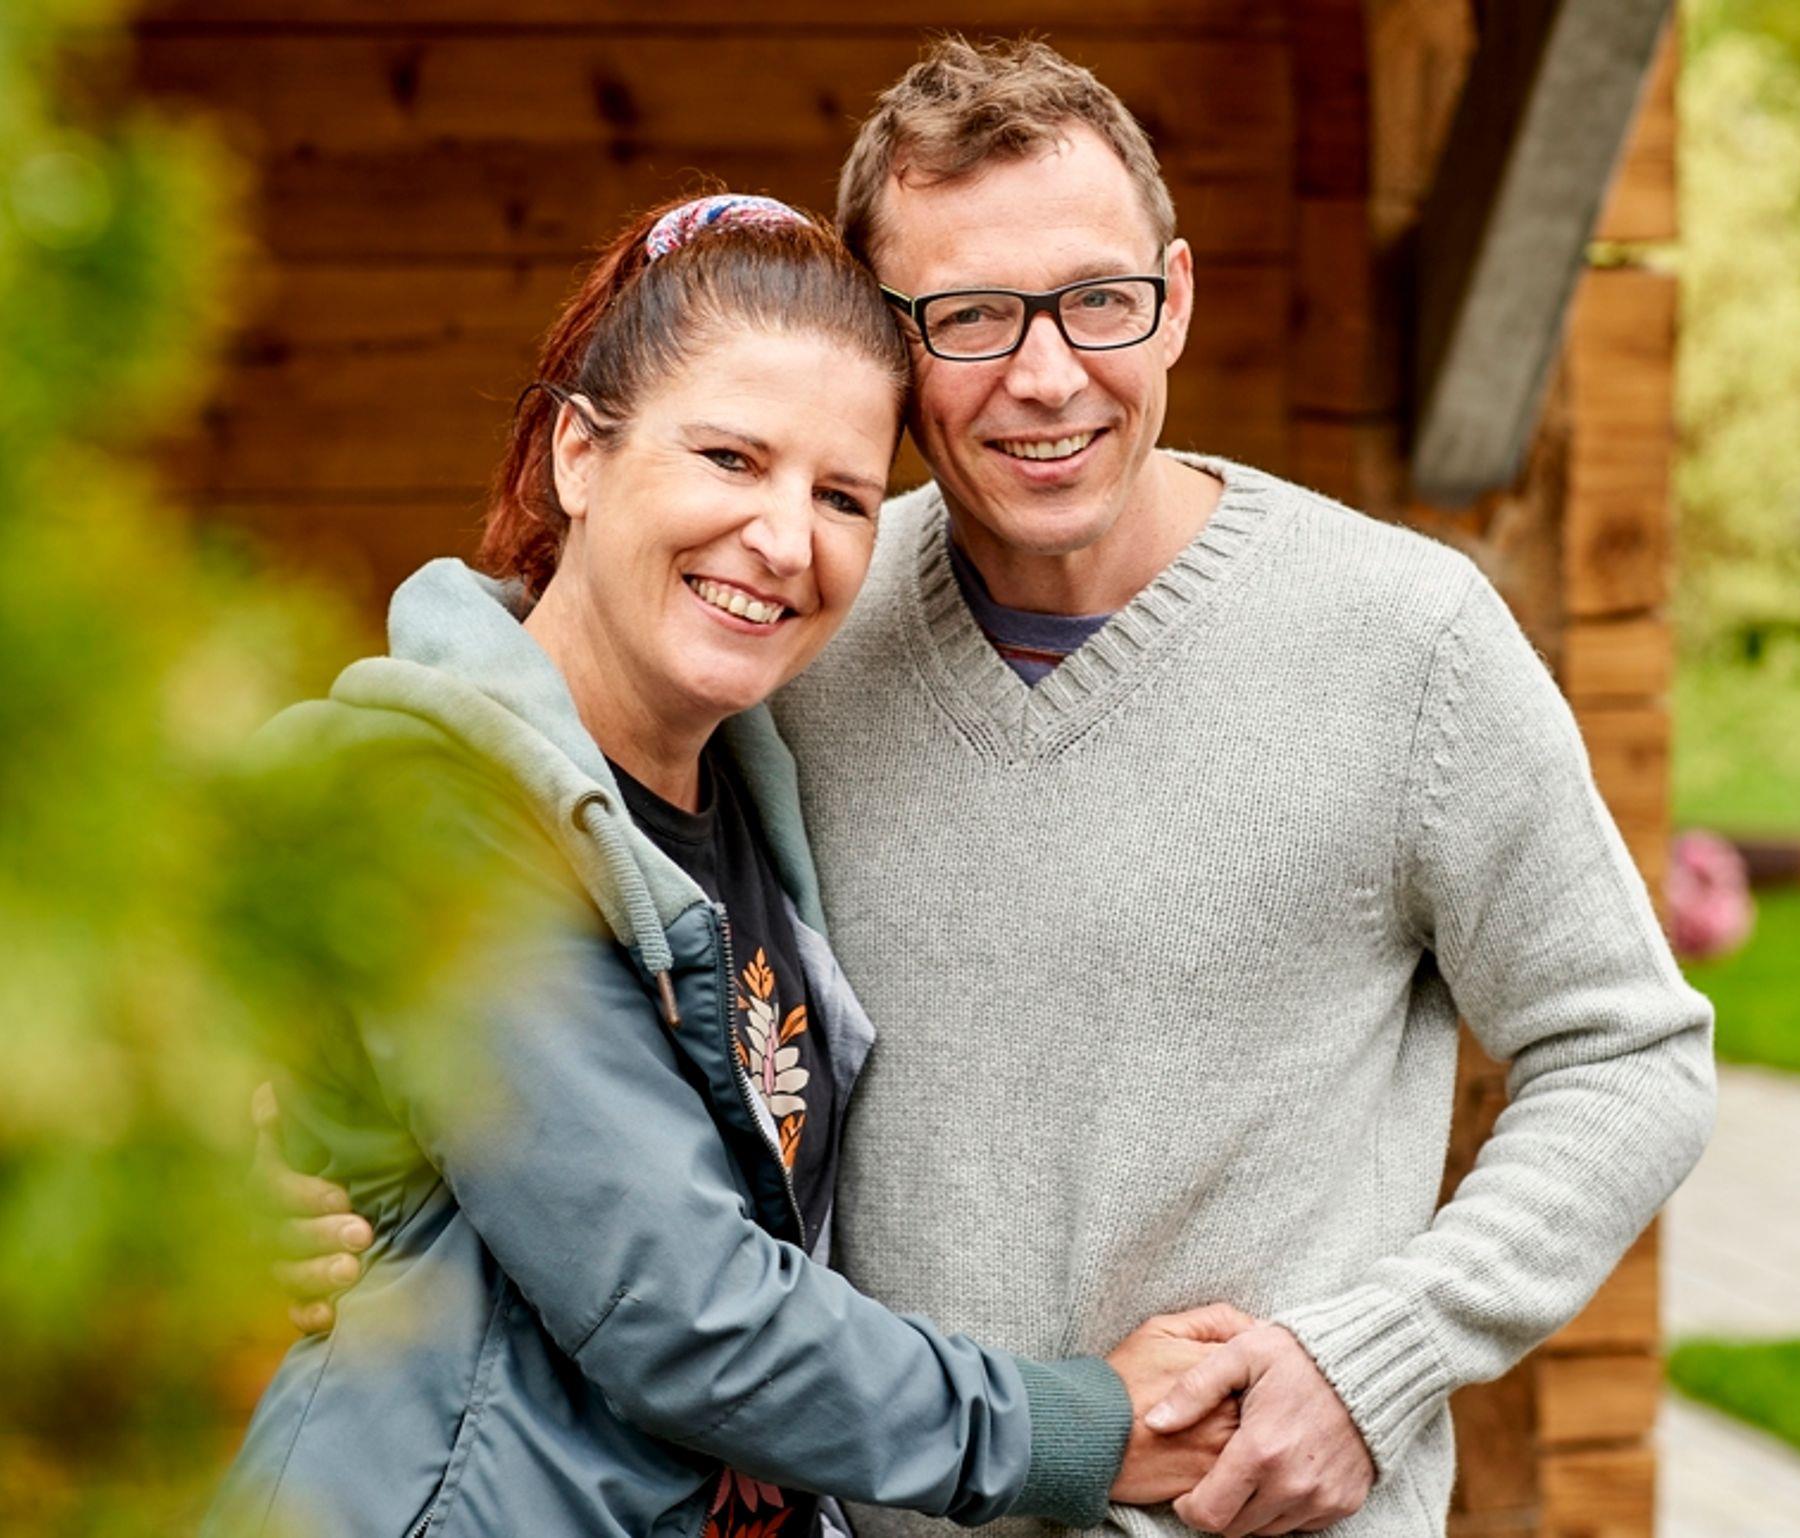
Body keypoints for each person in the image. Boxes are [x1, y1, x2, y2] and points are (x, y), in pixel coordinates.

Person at [273, 38, 1718, 1538]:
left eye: (1100, 299)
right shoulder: (793, 637)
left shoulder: (1406, 640)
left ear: (1176, 299)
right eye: (971, 317)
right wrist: (305, 1145)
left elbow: (1630, 1050)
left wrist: (1383, 1356)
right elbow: (523, 856)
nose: (1046, 374)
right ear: (897, 355)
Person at [212, 192, 1249, 1538]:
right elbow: (680, 1306)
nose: (784, 538)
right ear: (579, 454)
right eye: (729, 458)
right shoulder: (439, 812)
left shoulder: (746, 804)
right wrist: (1078, 1426)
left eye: (842, 496)